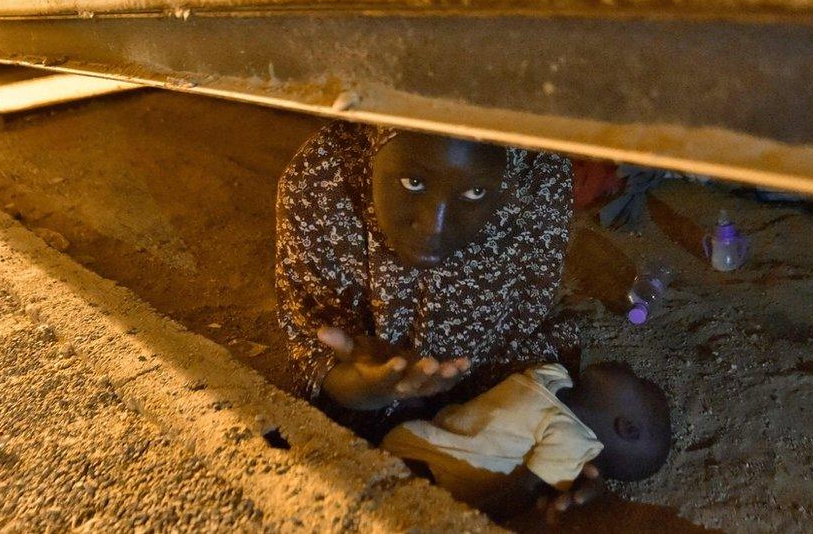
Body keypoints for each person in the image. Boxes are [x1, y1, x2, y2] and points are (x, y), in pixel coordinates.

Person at [275, 121, 579, 444]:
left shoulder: (537, 187)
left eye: (474, 193)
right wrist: (360, 388)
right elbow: (312, 350)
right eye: (413, 182)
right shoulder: (321, 181)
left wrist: (561, 448)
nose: (434, 225)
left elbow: (528, 334)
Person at [380, 361, 672, 520]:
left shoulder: (574, 440)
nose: (628, 365)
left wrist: (470, 520)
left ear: (627, 428)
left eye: (639, 380)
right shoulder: (556, 375)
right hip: (418, 437)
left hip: (445, 479)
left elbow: (524, 489)